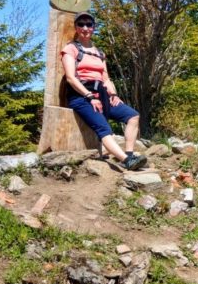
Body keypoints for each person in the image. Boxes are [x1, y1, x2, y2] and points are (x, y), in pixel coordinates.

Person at [62, 12, 147, 170]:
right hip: (81, 96)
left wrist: (113, 95)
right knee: (104, 128)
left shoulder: (99, 53)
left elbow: (106, 79)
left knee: (133, 116)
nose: (85, 28)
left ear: (94, 27)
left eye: (89, 24)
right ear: (76, 27)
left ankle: (129, 154)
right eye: (81, 24)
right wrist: (88, 96)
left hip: (102, 95)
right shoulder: (71, 49)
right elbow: (70, 78)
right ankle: (126, 161)